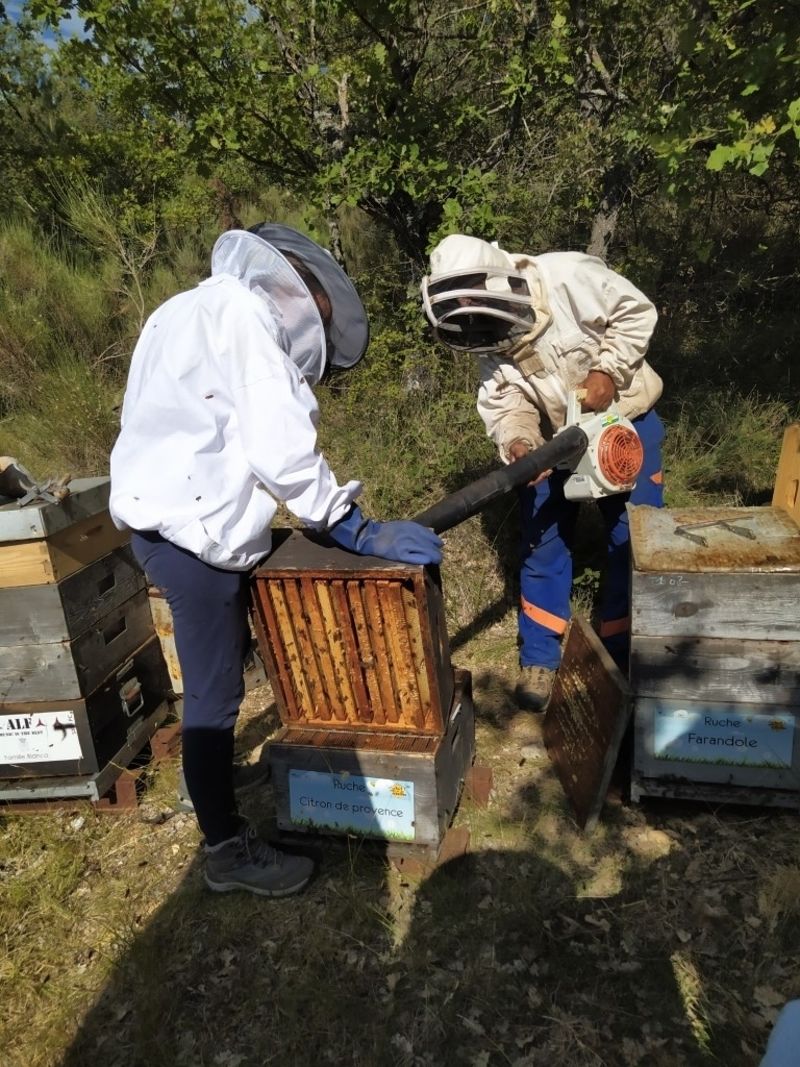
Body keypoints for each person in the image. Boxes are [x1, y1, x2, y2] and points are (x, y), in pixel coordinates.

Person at [110, 224, 443, 898]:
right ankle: (227, 848)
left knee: (218, 668)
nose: (313, 326)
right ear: (291, 290)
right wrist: (350, 521)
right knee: (214, 694)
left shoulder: (181, 309)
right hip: (190, 529)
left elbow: (202, 428)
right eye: (316, 312)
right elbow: (280, 447)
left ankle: (207, 778)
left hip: (163, 519)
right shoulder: (245, 320)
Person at [421, 234, 664, 713]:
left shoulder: (570, 277)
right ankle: (540, 658)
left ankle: (621, 651)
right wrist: (519, 445)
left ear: (497, 280)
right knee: (542, 541)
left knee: (635, 538)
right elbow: (505, 401)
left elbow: (638, 311)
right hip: (554, 440)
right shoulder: (483, 333)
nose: (472, 314)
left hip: (625, 421)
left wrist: (609, 369)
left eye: (475, 300)